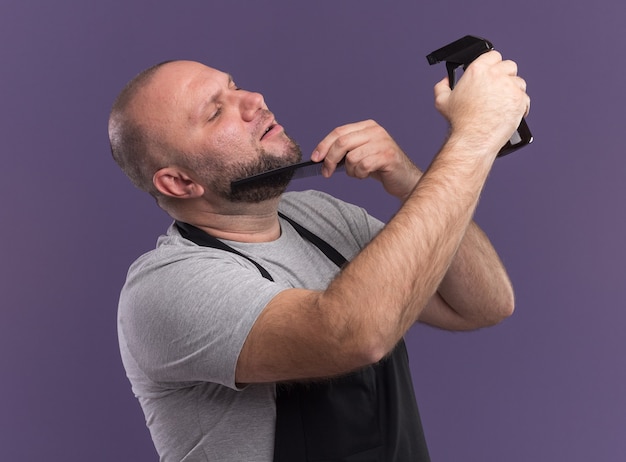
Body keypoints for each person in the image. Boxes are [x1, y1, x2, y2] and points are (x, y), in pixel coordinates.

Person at [109, 51, 529, 461]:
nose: (253, 100)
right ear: (179, 182)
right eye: (215, 112)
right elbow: (351, 334)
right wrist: (474, 137)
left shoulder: (319, 215)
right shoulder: (166, 287)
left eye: (233, 87)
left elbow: (486, 303)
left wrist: (408, 179)